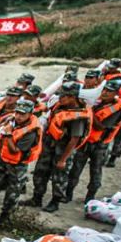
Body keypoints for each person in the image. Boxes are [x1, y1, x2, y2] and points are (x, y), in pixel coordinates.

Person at [27, 81, 91, 213]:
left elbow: (74, 139)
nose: (60, 98)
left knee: (59, 177)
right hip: (49, 144)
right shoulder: (60, 105)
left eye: (64, 96)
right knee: (40, 172)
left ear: (73, 97)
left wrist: (63, 159)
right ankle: (36, 198)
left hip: (63, 149)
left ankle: (55, 202)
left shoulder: (77, 117)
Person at [0, 99, 42, 224]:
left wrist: (8, 135)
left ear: (30, 114)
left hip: (17, 165)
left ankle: (5, 216)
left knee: (13, 191)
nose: (18, 116)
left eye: (22, 114)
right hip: (2, 159)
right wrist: (0, 126)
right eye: (17, 113)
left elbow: (15, 151)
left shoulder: (31, 131)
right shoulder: (11, 120)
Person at [68, 79, 121, 202]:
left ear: (116, 93)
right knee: (75, 169)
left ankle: (90, 197)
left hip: (100, 145)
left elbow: (100, 126)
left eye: (109, 91)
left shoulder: (117, 108)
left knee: (95, 172)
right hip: (86, 142)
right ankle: (68, 194)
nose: (104, 93)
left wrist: (89, 111)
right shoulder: (99, 103)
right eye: (104, 90)